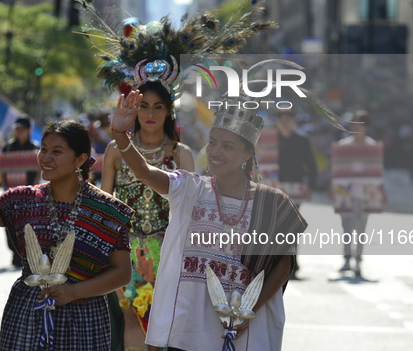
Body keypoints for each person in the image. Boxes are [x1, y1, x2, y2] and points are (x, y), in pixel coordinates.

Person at [110, 90, 307, 351]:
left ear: (247, 153)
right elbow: (145, 171)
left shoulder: (272, 203)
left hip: (244, 329)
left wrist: (248, 311)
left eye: (227, 146)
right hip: (190, 325)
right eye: (212, 143)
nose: (215, 152)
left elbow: (283, 266)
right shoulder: (190, 188)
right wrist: (120, 136)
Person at [0, 120, 134, 350]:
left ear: (80, 159)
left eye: (57, 152)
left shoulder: (107, 210)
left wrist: (73, 291)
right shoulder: (22, 200)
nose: (45, 158)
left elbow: (122, 273)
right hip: (27, 312)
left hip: (84, 317)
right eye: (44, 149)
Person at [101, 82, 195, 351]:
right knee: (132, 317)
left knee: (162, 324)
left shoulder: (181, 154)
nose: (150, 113)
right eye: (143, 106)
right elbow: (106, 202)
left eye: (158, 107)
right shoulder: (115, 150)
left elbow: (192, 210)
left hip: (169, 250)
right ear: (134, 110)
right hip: (126, 248)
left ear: (168, 112)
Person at [334, 110, 386, 276]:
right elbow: (336, 170)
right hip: (346, 192)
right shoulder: (343, 145)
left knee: (361, 228)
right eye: (355, 123)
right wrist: (332, 189)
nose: (357, 127)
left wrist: (382, 191)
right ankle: (347, 258)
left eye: (361, 124)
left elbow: (378, 171)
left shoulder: (372, 147)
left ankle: (358, 260)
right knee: (347, 227)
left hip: (365, 193)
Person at [276, 107, 318, 279]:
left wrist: (311, 186)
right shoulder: (269, 140)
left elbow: (312, 165)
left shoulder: (302, 140)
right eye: (282, 119)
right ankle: (276, 265)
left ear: (294, 121)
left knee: (291, 226)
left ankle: (292, 263)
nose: (285, 122)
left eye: (288, 119)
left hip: (296, 188)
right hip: (273, 187)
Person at [1, 115, 40, 268]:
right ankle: (14, 252)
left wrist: (34, 187)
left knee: (28, 223)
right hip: (11, 192)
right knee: (10, 223)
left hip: (29, 192)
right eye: (17, 129)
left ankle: (26, 254)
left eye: (22, 129)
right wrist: (4, 188)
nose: (19, 132)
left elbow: (38, 170)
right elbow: (2, 170)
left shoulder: (34, 148)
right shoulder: (8, 147)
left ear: (29, 130)